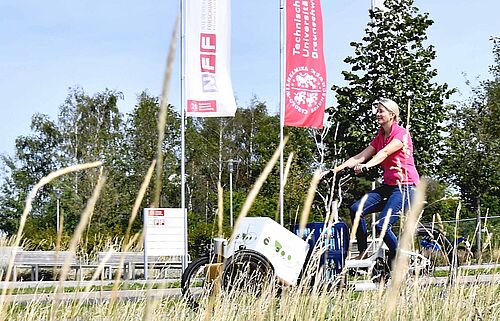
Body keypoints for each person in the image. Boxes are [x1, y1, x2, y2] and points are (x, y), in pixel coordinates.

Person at [328, 98, 420, 268]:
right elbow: (359, 156)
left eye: (381, 111)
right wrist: (333, 171)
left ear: (392, 115)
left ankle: (399, 260)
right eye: (376, 111)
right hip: (389, 187)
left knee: (381, 225)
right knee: (356, 209)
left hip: (406, 187)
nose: (377, 114)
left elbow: (384, 153)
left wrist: (366, 166)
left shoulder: (401, 134)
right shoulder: (380, 136)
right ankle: (363, 252)